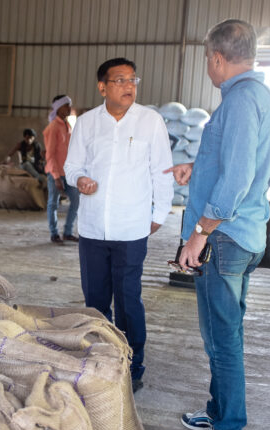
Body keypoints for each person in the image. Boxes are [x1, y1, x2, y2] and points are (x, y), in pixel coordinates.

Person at [164, 20, 270, 430]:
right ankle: (217, 412)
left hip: (226, 237)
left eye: (207, 60)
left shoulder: (238, 101)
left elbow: (236, 179)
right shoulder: (264, 98)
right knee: (225, 327)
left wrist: (199, 234)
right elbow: (247, 165)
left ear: (217, 58)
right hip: (247, 232)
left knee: (222, 336)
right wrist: (197, 171)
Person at [64, 58, 174, 393]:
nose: (129, 86)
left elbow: (162, 171)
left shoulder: (150, 121)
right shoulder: (86, 123)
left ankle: (133, 365)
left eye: (132, 80)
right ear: (102, 87)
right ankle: (100, 358)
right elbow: (72, 166)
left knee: (128, 299)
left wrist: (160, 214)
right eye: (120, 80)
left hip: (131, 228)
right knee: (95, 299)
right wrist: (80, 178)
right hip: (94, 228)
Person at [43, 95, 79, 244]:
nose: (69, 108)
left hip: (68, 173)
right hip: (55, 173)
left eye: (70, 105)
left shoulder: (67, 125)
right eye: (67, 105)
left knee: (76, 201)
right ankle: (54, 234)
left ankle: (68, 232)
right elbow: (50, 155)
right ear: (58, 108)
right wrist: (56, 177)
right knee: (53, 203)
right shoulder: (53, 127)